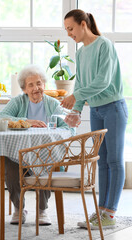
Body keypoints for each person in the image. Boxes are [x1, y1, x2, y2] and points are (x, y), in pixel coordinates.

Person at [61, 9, 128, 229]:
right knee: (101, 161)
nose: (69, 33)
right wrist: (77, 110)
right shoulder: (81, 53)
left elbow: (103, 81)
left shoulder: (104, 45)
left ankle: (110, 213)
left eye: (71, 29)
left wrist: (76, 97)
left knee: (115, 161)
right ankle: (101, 212)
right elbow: (80, 83)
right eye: (67, 30)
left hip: (113, 108)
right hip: (96, 110)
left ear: (83, 24)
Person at [0, 64, 73, 225]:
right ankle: (19, 209)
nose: (36, 88)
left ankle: (42, 210)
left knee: (45, 162)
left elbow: (68, 127)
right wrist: (28, 121)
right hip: (18, 153)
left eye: (39, 83)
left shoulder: (53, 103)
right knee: (9, 166)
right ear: (24, 89)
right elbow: (2, 118)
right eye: (30, 85)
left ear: (44, 85)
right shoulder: (18, 101)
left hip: (45, 152)